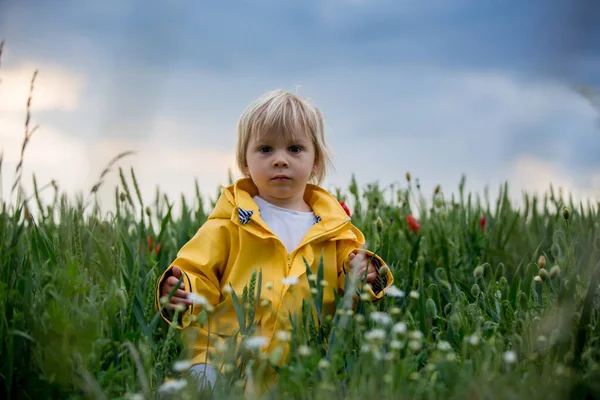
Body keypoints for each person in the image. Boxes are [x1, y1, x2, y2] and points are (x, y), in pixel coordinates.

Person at [155, 89, 394, 392]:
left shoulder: (335, 231)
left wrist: (366, 273)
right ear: (244, 161)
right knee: (200, 387)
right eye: (266, 149)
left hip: (303, 364)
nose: (280, 160)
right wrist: (182, 289)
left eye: (294, 149)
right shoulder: (228, 223)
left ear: (315, 161)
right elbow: (197, 272)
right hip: (224, 357)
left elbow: (356, 285)